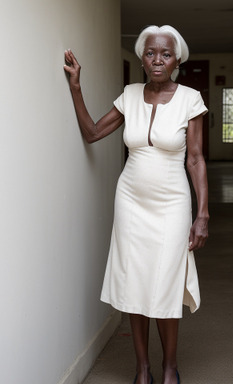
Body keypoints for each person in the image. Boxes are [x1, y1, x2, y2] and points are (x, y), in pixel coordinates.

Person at [64, 25, 209, 384]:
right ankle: (142, 369)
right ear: (142, 57)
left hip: (172, 202)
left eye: (165, 54)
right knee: (135, 283)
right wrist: (76, 87)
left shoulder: (191, 98)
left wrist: (202, 213)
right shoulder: (129, 95)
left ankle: (169, 367)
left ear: (177, 59)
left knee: (166, 282)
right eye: (150, 52)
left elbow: (195, 159)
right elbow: (93, 132)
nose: (157, 60)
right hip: (130, 199)